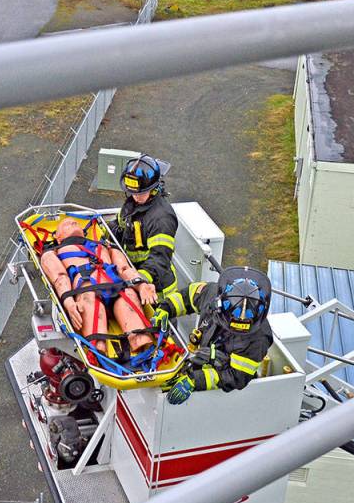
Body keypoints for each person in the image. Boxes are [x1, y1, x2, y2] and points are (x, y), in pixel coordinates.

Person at [151, 267, 273, 405]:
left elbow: (236, 377)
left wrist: (195, 380)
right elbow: (187, 297)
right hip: (203, 355)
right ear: (220, 305)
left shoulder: (258, 339)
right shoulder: (211, 293)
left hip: (220, 375)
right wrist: (166, 307)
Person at [40, 218, 155, 355]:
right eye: (66, 224)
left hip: (117, 288)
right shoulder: (52, 252)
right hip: (87, 291)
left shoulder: (105, 246)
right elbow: (60, 277)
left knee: (129, 295)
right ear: (58, 238)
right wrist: (68, 302)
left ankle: (147, 355)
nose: (73, 223)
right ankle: (99, 355)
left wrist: (141, 285)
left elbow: (124, 269)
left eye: (75, 222)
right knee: (89, 303)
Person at [108, 155, 179, 306]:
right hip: (133, 275)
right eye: (132, 192)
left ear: (154, 188)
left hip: (156, 291)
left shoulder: (161, 218)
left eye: (140, 193)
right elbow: (120, 224)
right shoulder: (133, 203)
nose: (136, 197)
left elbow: (160, 258)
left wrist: (140, 280)